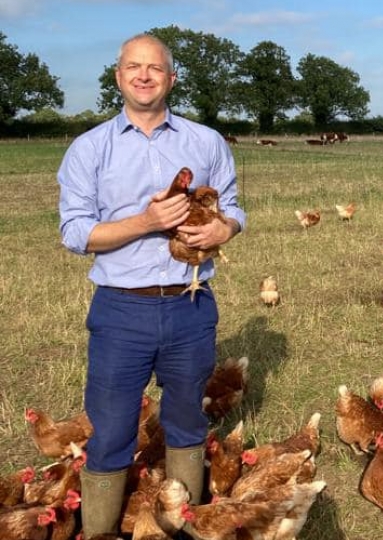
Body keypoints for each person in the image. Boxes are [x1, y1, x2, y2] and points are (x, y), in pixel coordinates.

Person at [57, 33, 246, 537]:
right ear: (118, 76)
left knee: (187, 421)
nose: (144, 75)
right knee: (113, 431)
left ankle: (184, 527)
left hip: (190, 304)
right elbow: (76, 233)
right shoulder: (89, 148)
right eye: (133, 67)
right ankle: (101, 531)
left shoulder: (205, 141)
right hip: (122, 309)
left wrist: (223, 228)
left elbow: (233, 206)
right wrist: (145, 221)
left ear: (171, 78)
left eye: (155, 68)